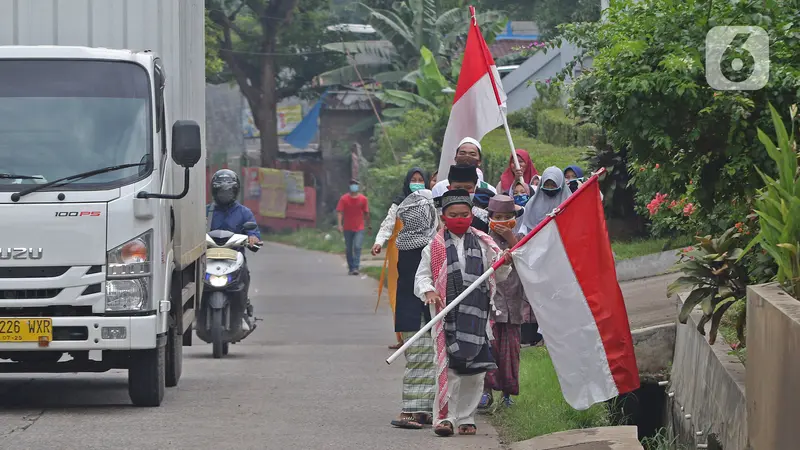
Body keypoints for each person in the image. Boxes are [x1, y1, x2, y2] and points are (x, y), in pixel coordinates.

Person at [415, 189, 513, 437]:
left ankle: (466, 417)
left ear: (471, 215)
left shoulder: (483, 242)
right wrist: (428, 292)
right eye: (453, 214)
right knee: (448, 372)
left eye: (464, 214)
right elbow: (422, 276)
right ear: (444, 217)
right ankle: (445, 418)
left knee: (475, 371)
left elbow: (497, 274)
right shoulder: (433, 246)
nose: (459, 218)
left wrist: (506, 262)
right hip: (446, 317)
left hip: (477, 317)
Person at [390, 187, 439, 430]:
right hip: (420, 311)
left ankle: (423, 410)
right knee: (422, 361)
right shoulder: (428, 245)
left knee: (423, 360)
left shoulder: (405, 242)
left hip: (409, 313)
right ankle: (409, 411)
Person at [479, 195, 528, 409]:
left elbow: (527, 266)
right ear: (490, 218)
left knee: (511, 353)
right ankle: (486, 392)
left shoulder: (522, 239)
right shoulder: (482, 240)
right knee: (489, 349)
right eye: (498, 217)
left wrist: (511, 240)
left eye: (507, 217)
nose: (502, 221)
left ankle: (507, 396)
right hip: (491, 307)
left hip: (513, 306)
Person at [373, 168, 428, 349]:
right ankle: (403, 336)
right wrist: (379, 242)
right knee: (400, 294)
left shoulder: (429, 202)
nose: (417, 182)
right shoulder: (399, 203)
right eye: (414, 179)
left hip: (425, 253)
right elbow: (388, 224)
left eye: (421, 179)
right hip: (401, 255)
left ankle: (427, 332)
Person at [207, 169, 262, 331]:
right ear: (214, 191)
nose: (224, 194)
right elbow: (193, 230)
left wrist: (253, 238)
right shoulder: (206, 212)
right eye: (221, 190)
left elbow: (254, 233)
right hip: (208, 259)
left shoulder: (244, 213)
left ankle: (243, 308)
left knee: (244, 277)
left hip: (234, 260)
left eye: (228, 190)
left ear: (235, 191)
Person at [431, 137, 497, 198]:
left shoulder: (489, 190)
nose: (467, 157)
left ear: (479, 161)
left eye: (472, 154)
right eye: (462, 153)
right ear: (455, 158)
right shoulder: (439, 187)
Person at [336, 179, 371, 275]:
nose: (353, 186)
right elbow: (339, 212)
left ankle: (356, 267)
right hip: (347, 228)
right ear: (349, 186)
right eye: (352, 184)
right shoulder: (344, 199)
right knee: (348, 248)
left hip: (359, 227)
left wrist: (369, 226)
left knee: (357, 246)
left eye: (355, 184)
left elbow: (366, 213)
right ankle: (351, 267)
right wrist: (339, 225)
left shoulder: (363, 199)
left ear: (358, 186)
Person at [443, 164, 490, 233]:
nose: (463, 191)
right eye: (457, 188)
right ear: (449, 188)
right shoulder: (439, 214)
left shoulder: (484, 216)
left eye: (468, 188)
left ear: (475, 189)